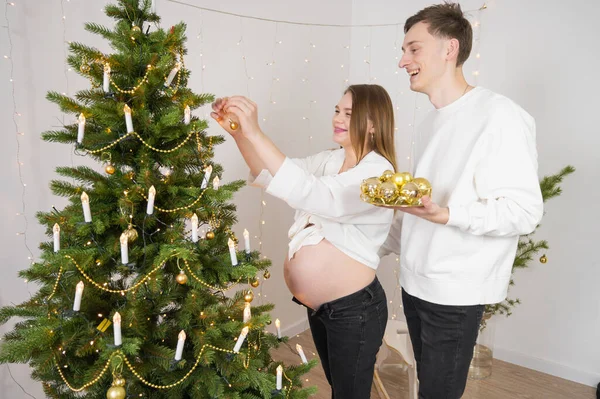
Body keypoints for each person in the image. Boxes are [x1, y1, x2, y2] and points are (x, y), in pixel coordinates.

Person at [379, 3, 544, 398]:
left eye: (413, 49)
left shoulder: (500, 116)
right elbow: (419, 214)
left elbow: (524, 212)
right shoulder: (429, 120)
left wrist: (448, 214)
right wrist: (363, 247)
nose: (403, 61)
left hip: (455, 294)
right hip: (415, 285)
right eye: (404, 51)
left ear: (449, 48)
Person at [211, 84, 396, 398]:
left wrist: (257, 132)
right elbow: (271, 174)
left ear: (374, 123)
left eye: (349, 113)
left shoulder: (380, 173)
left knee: (349, 394)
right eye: (338, 110)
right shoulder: (329, 160)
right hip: (323, 307)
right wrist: (240, 134)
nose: (338, 118)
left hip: (354, 309)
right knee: (341, 388)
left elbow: (315, 194)